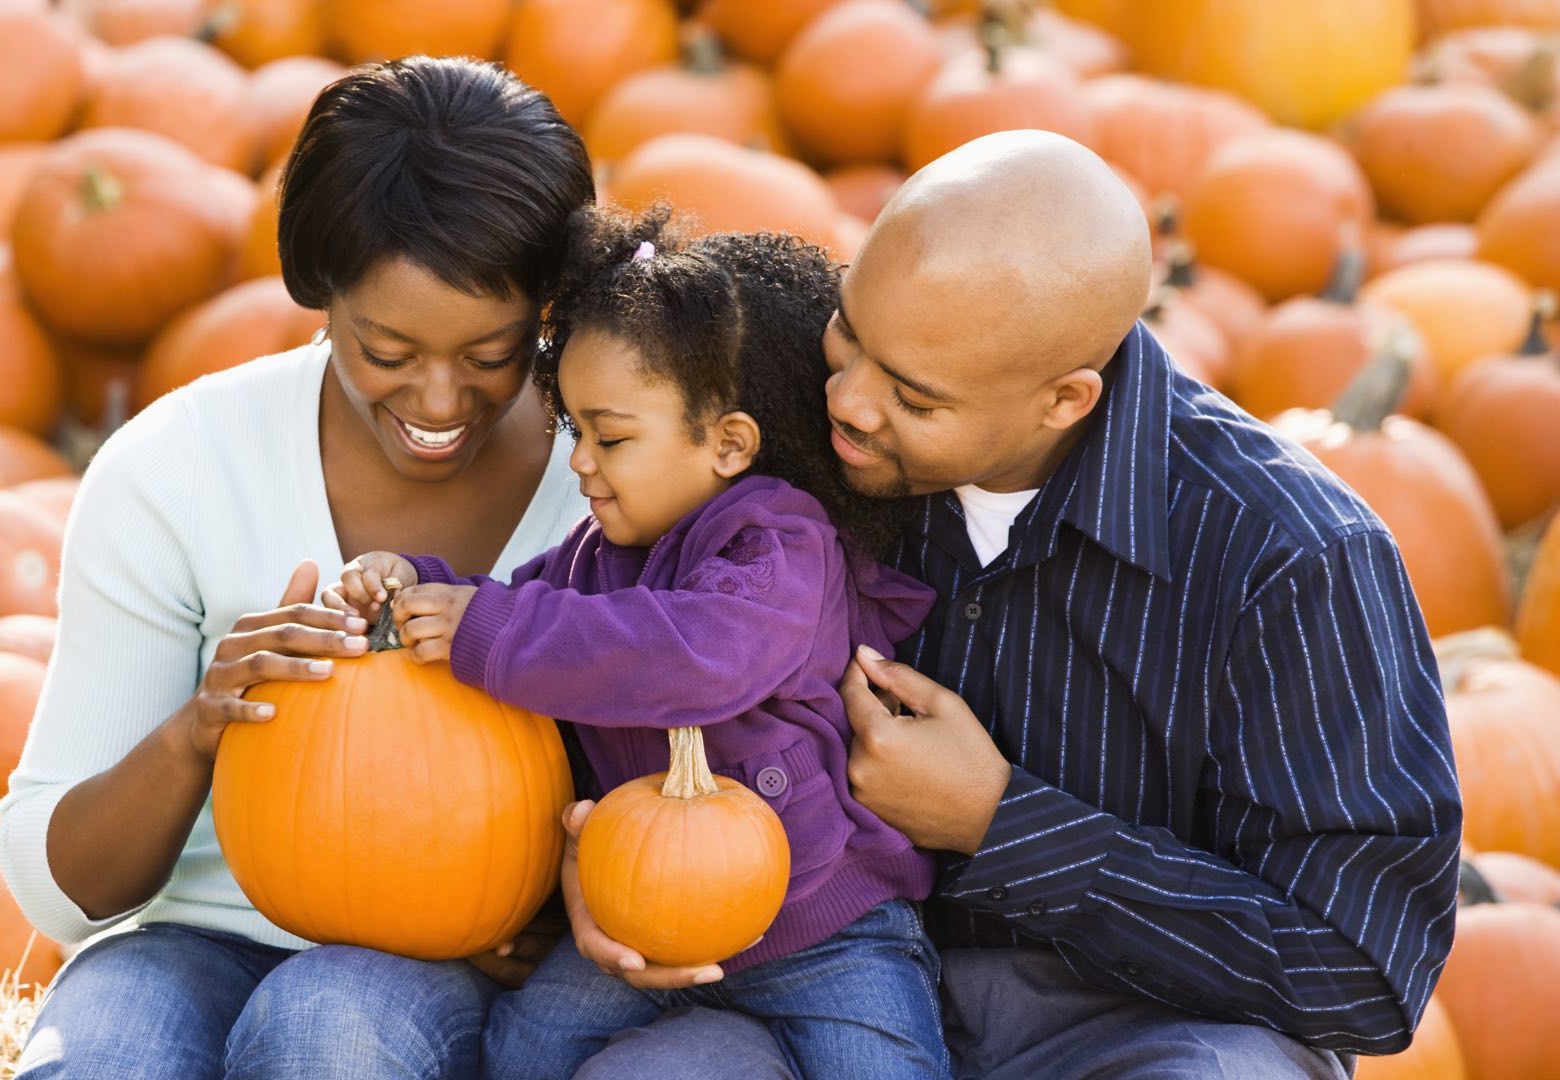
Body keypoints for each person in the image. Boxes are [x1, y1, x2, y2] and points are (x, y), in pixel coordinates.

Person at [556, 130, 1463, 1078]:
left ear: (1064, 400)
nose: (849, 401)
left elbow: (1364, 971)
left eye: (913, 395)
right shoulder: (788, 410)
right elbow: (621, 611)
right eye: (852, 331)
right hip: (796, 977)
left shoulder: (1290, 558)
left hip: (1129, 1027)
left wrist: (1003, 822)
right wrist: (600, 856)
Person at [0, 56, 598, 1078]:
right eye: (388, 350)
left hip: (442, 953)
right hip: (195, 938)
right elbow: (61, 894)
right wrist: (200, 729)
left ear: (553, 306)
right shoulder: (176, 467)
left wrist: (551, 900)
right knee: (101, 1057)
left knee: (333, 1029)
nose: (441, 401)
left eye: (493, 353)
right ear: (317, 292)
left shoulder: (612, 477)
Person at [330, 210, 946, 1079]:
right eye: (573, 431)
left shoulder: (778, 544)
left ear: (728, 443)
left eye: (609, 437)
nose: (581, 462)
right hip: (642, 915)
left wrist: (488, 631)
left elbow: (697, 655)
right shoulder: (594, 559)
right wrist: (418, 584)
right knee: (522, 1053)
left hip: (824, 924)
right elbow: (510, 606)